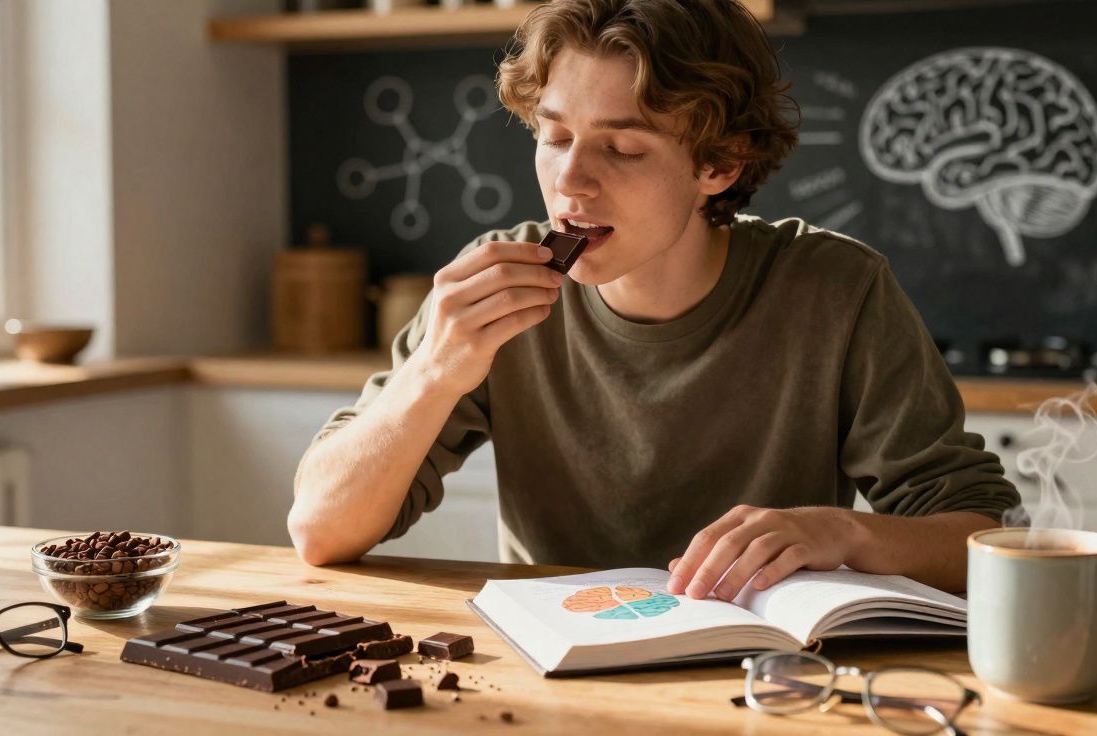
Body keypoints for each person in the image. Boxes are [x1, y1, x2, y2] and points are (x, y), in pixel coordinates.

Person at [288, 0, 1020, 598]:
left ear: (720, 164)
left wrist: (845, 534)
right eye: (554, 135)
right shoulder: (492, 288)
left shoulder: (835, 290)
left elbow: (984, 542)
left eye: (624, 148)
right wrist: (431, 375)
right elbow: (318, 530)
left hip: (762, 679)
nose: (571, 180)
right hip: (551, 673)